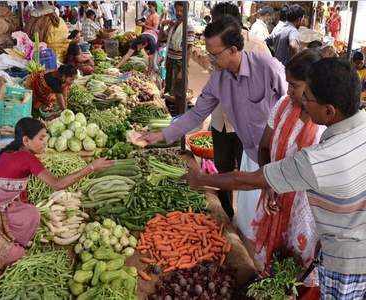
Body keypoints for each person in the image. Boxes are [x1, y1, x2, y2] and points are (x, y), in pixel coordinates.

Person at [184, 58, 366, 300]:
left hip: (347, 261)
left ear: (329, 110)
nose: (302, 101)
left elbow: (248, 181)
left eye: (308, 98)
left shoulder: (322, 158)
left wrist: (201, 179)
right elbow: (265, 150)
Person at [140, 16, 287, 242]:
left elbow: (292, 105)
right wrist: (161, 135)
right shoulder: (218, 80)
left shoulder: (267, 67)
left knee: (278, 218)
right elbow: (197, 114)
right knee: (252, 220)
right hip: (251, 155)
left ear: (234, 49)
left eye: (214, 53)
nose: (209, 58)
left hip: (279, 157)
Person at [0, 118, 113, 283]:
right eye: (41, 138)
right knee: (16, 254)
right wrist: (91, 167)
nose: (46, 142)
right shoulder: (27, 158)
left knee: (31, 213)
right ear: (26, 140)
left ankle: (5, 236)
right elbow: (58, 184)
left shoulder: (10, 151)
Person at [254, 50, 325, 296]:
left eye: (294, 86)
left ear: (312, 86)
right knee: (272, 264)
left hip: (305, 210)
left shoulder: (325, 121)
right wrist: (268, 183)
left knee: (301, 271)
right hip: (274, 197)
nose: (288, 91)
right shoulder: (283, 106)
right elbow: (264, 147)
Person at [209, 2, 271, 220]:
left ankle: (248, 221)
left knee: (248, 174)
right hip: (220, 120)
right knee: (223, 169)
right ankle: (226, 215)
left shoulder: (257, 45)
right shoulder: (214, 44)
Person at [162, 1, 195, 105]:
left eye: (182, 10)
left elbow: (189, 49)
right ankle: (170, 110)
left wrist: (183, 69)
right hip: (170, 60)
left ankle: (179, 114)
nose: (179, 13)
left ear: (187, 11)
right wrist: (162, 26)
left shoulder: (188, 27)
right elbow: (162, 38)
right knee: (169, 89)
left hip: (180, 63)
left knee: (179, 91)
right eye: (177, 10)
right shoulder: (173, 24)